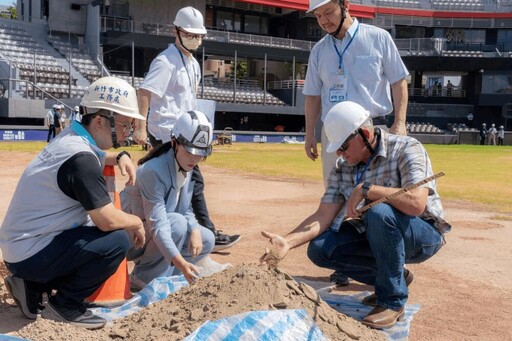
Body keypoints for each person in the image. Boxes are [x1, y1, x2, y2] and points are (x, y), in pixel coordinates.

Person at [261, 101, 449, 330]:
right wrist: (287, 242)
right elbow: (324, 214)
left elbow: (416, 204)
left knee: (379, 211)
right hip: (377, 231)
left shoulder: (407, 148)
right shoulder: (343, 167)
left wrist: (369, 189)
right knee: (321, 248)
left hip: (422, 232)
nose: (340, 153)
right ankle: (395, 276)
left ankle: (392, 301)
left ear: (366, 134)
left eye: (344, 146)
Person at [0, 76, 146, 329]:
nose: (127, 132)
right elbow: (107, 219)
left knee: (90, 235)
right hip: (31, 252)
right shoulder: (80, 159)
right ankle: (65, 305)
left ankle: (31, 285)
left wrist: (120, 155)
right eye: (124, 124)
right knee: (117, 240)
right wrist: (136, 222)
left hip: (22, 248)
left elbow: (95, 159)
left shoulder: (72, 139)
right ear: (100, 121)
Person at [303, 0, 409, 286]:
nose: (323, 20)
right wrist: (310, 133)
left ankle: (386, 259)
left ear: (345, 5)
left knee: (378, 197)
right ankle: (345, 260)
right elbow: (313, 94)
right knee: (337, 197)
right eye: (317, 16)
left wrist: (399, 123)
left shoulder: (378, 38)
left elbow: (399, 81)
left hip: (371, 130)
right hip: (335, 133)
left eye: (328, 12)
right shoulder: (319, 50)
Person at [132, 6, 240, 252]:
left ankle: (185, 233)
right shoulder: (165, 61)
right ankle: (203, 232)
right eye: (190, 34)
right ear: (176, 31)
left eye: (199, 35)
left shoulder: (192, 64)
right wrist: (139, 128)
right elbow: (145, 93)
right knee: (189, 184)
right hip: (166, 135)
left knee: (185, 186)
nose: (195, 39)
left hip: (187, 134)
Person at [121, 110, 215, 289]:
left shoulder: (184, 165)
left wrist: (194, 230)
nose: (195, 159)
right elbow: (158, 224)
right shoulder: (153, 171)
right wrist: (180, 261)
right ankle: (145, 278)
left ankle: (173, 277)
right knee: (177, 224)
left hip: (154, 233)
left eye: (200, 153)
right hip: (130, 241)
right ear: (175, 143)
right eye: (190, 152)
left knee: (207, 238)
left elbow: (185, 208)